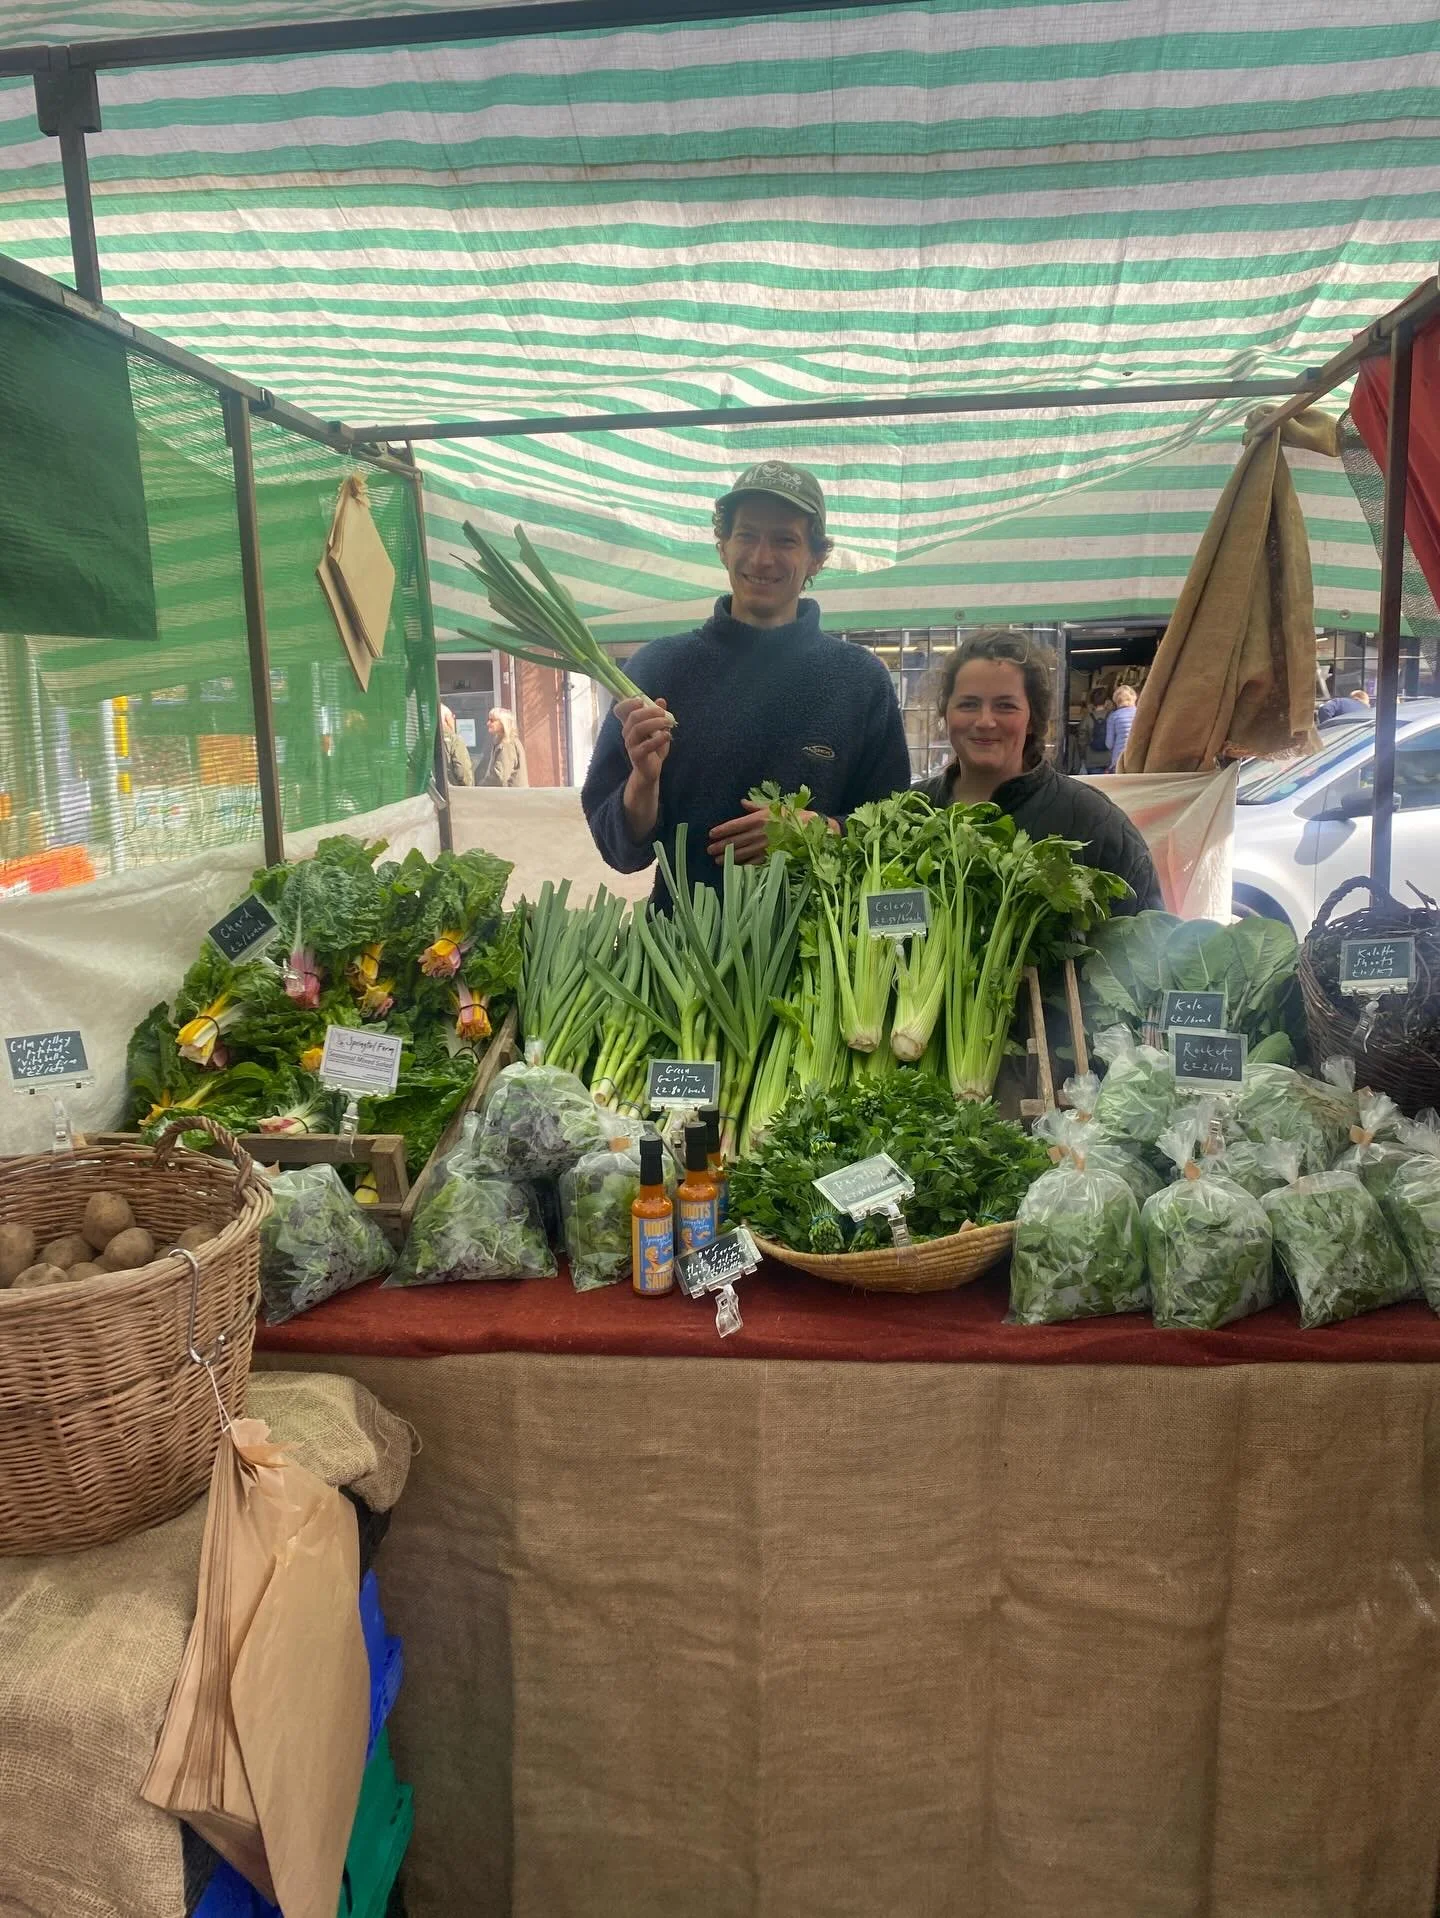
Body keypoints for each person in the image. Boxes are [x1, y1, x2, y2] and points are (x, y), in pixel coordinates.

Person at [581, 461, 911, 905]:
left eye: (785, 540)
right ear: (723, 546)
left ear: (816, 556)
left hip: (816, 960)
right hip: (682, 954)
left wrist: (819, 832)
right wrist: (643, 781)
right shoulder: (657, 668)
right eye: (747, 535)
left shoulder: (860, 681)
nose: (762, 558)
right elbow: (618, 852)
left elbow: (895, 831)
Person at [916, 629, 1163, 915]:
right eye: (968, 704)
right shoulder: (909, 815)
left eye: (1005, 706)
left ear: (1032, 719)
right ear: (946, 714)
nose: (985, 721)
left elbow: (1148, 943)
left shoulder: (1093, 823)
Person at [482, 706, 529, 788]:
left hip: (511, 797)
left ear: (503, 723)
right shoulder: (502, 741)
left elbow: (500, 777)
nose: (488, 723)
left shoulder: (507, 744)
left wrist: (480, 786)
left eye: (492, 721)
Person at [1105, 682, 1139, 771]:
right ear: (1134, 697)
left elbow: (1109, 744)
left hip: (1119, 759)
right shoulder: (1141, 713)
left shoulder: (1113, 716)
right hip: (1138, 757)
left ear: (1116, 700)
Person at [439, 704, 474, 786]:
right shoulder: (455, 740)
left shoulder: (423, 741)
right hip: (451, 792)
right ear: (446, 718)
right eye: (452, 716)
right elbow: (462, 771)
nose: (454, 719)